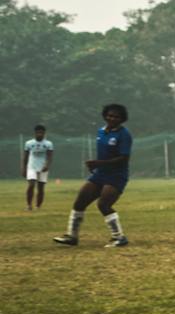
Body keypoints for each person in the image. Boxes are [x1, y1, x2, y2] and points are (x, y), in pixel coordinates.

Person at [52, 105, 132, 247]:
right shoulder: (101, 131)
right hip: (100, 174)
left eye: (116, 116)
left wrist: (98, 163)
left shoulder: (124, 134)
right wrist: (96, 165)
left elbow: (124, 158)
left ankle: (119, 237)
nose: (112, 118)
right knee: (80, 201)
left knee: (103, 204)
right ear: (105, 115)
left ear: (122, 119)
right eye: (109, 115)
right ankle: (72, 236)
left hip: (116, 175)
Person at [22, 124, 53, 210]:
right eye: (38, 132)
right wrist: (24, 169)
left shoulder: (48, 144)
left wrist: (47, 165)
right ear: (35, 133)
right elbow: (25, 157)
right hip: (31, 167)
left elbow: (50, 156)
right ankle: (29, 205)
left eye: (42, 133)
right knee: (31, 185)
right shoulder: (29, 143)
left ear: (44, 133)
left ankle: (38, 206)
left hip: (43, 167)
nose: (40, 134)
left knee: (40, 187)